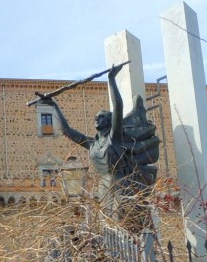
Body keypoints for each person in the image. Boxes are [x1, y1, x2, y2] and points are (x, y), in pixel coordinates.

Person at [40, 65, 160, 227]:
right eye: (96, 117)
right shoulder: (93, 144)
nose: (97, 119)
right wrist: (53, 106)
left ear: (110, 121)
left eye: (102, 117)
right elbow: (68, 131)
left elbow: (118, 107)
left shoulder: (115, 138)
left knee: (124, 224)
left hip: (121, 184)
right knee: (108, 225)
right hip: (104, 187)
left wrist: (111, 80)